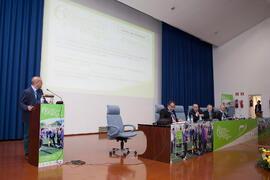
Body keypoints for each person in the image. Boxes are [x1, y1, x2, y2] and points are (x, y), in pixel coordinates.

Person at [19, 76, 43, 159]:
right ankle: (27, 153)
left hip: (38, 117)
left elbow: (42, 101)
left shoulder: (40, 91)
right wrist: (27, 107)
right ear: (37, 83)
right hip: (28, 117)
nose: (42, 83)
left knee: (36, 136)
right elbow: (21, 103)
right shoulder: (27, 92)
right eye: (41, 82)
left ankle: (35, 151)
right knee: (27, 136)